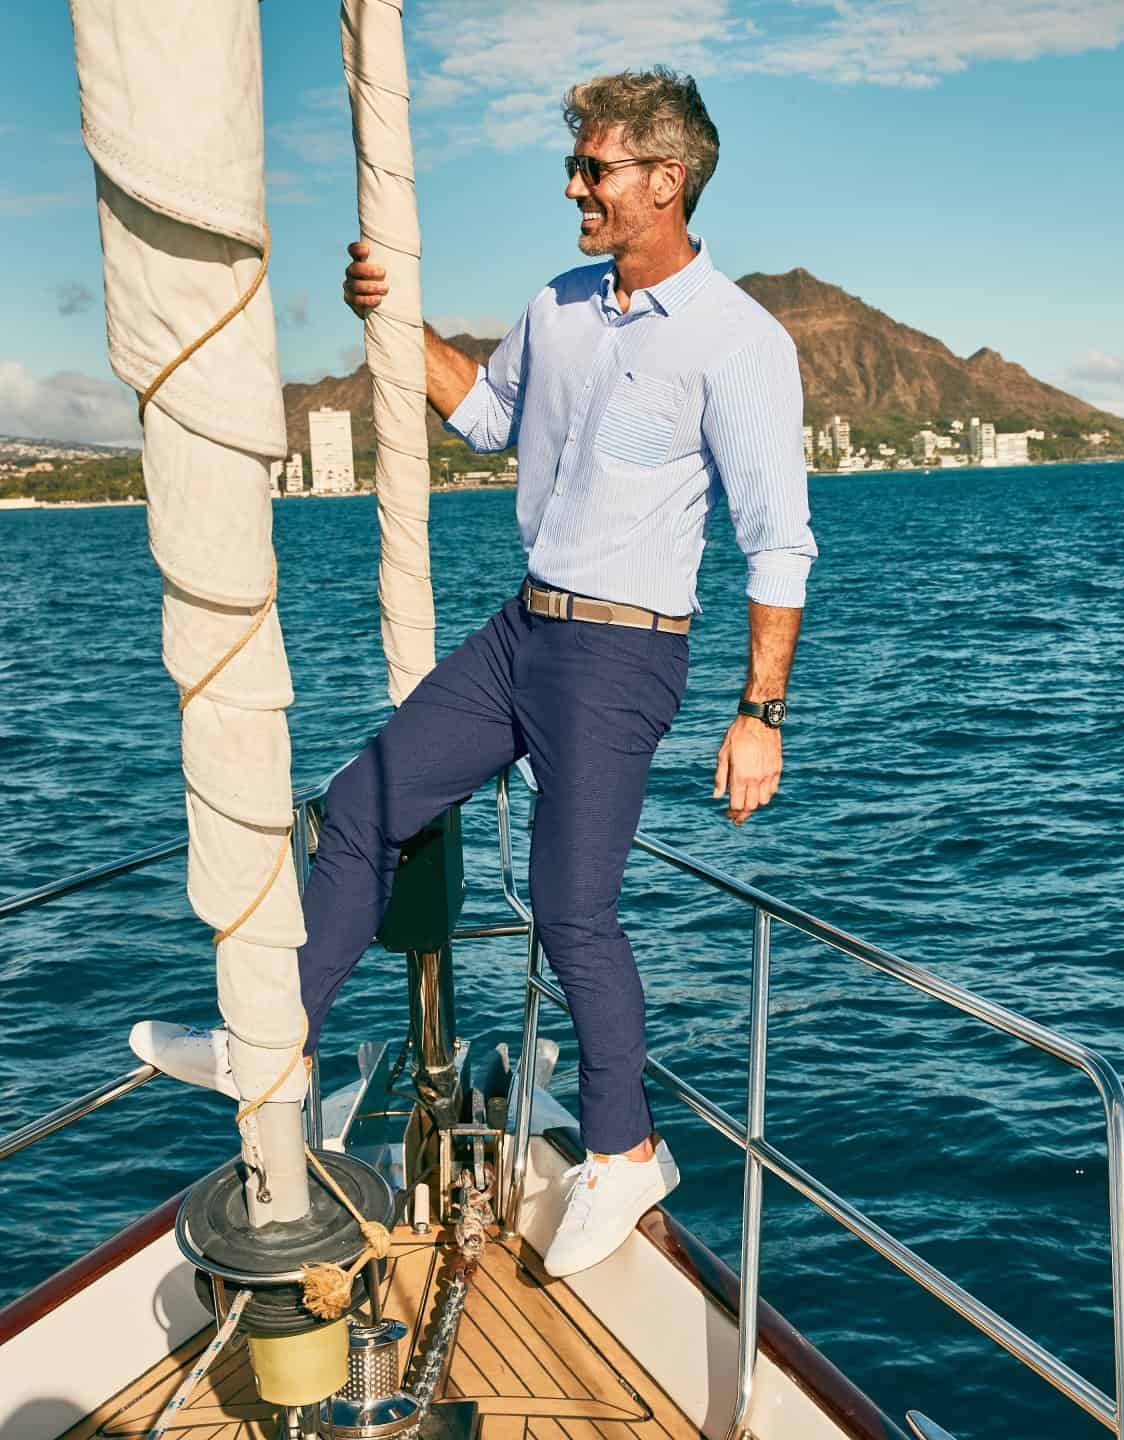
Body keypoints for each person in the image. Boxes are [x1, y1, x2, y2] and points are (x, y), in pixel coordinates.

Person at [130, 66, 816, 1277]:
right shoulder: (558, 307)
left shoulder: (739, 342)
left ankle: (620, 1151)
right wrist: (397, 324)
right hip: (521, 634)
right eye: (576, 166)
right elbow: (487, 415)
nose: (575, 187)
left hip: (626, 653)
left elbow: (779, 541)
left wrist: (759, 711)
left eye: (594, 169)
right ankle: (273, 1044)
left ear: (666, 181)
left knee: (571, 909)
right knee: (360, 807)